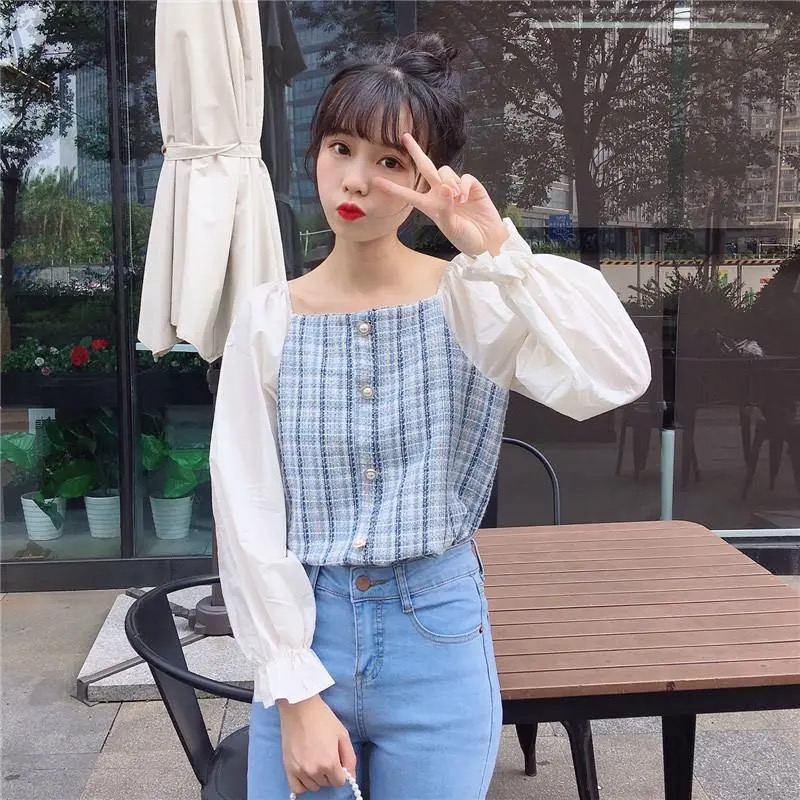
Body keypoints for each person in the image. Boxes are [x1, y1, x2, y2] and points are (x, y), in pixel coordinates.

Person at [209, 32, 651, 800]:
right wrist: (294, 690)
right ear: (315, 153)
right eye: (341, 148)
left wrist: (497, 249)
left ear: (428, 177)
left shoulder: (471, 299)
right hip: (307, 636)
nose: (356, 179)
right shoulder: (268, 318)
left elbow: (615, 373)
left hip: (438, 635)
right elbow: (246, 507)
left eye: (391, 162)